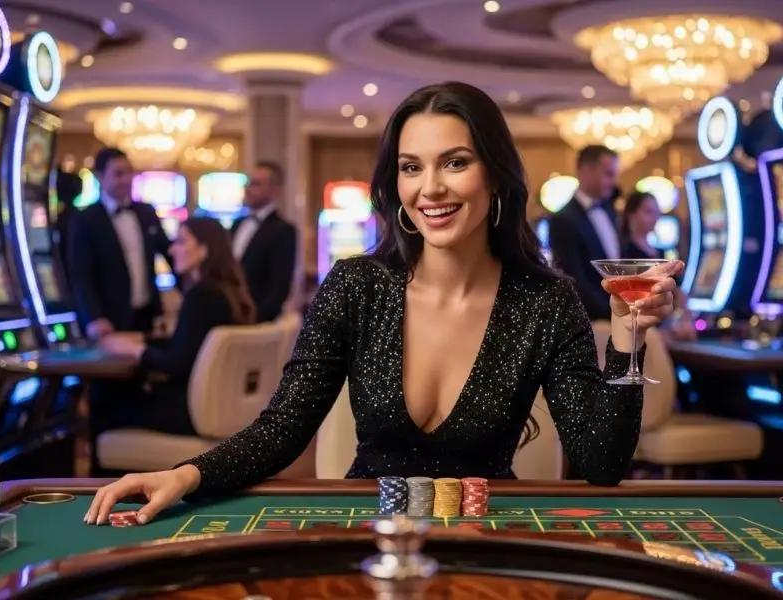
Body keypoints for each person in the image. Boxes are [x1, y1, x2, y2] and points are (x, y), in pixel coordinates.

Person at [84, 82, 681, 526]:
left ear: (495, 176)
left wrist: (628, 335)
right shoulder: (356, 286)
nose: (431, 188)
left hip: (485, 539)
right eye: (411, 167)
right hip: (367, 534)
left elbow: (601, 463)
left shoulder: (546, 301)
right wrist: (186, 475)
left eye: (455, 162)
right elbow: (282, 430)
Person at [95, 217, 256, 436]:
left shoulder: (201, 295)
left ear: (204, 250)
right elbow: (189, 345)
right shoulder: (226, 293)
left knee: (104, 401)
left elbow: (176, 363)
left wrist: (136, 350)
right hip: (215, 405)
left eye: (181, 241)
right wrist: (143, 339)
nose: (171, 250)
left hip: (187, 411)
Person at [67, 147, 173, 339]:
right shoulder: (85, 219)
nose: (126, 179)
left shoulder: (147, 213)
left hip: (147, 316)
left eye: (129, 172)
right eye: (118, 174)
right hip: (108, 320)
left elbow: (169, 253)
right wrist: (93, 317)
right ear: (100, 177)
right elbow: (81, 274)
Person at [549, 145, 622, 321]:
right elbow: (574, 281)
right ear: (586, 170)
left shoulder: (609, 211)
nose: (614, 182)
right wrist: (616, 311)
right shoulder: (563, 219)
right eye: (608, 174)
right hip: (591, 320)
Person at [621, 190, 696, 341]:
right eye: (648, 212)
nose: (654, 218)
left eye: (657, 213)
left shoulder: (659, 251)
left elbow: (677, 290)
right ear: (631, 214)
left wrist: (685, 318)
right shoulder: (624, 251)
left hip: (666, 320)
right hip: (641, 325)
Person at [232, 161, 297, 322]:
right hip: (230, 314)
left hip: (257, 321)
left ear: (275, 190)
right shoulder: (237, 224)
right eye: (248, 183)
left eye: (256, 184)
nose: (248, 189)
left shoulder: (283, 230)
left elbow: (279, 288)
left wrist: (255, 320)